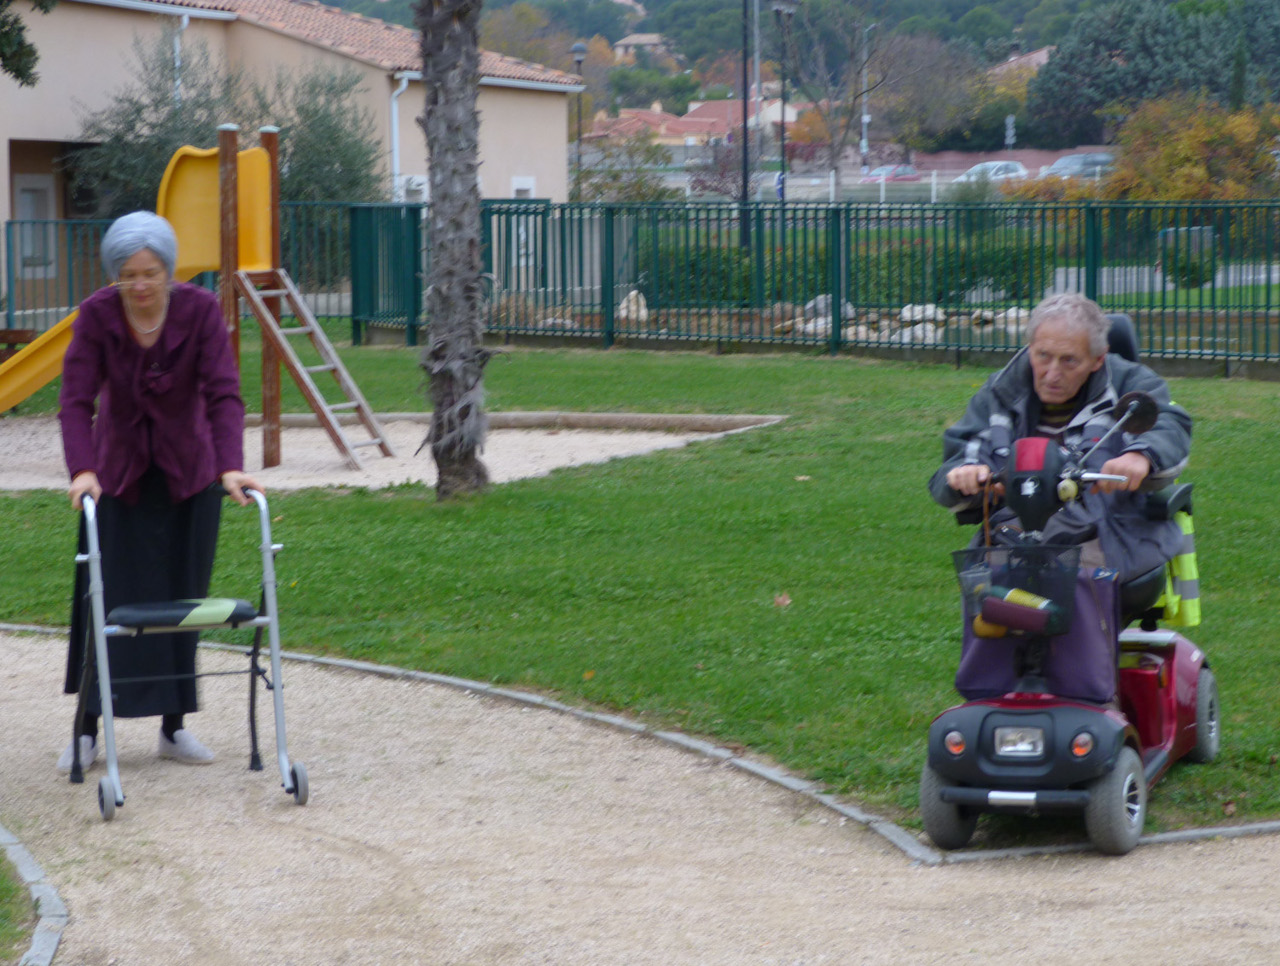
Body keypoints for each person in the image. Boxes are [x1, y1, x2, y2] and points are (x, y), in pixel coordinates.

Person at [57, 211, 261, 772]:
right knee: (107, 601)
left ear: (170, 271)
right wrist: (82, 469)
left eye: (151, 273)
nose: (141, 286)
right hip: (117, 479)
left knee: (182, 602)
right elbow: (76, 400)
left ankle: (173, 728)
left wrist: (231, 467)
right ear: (113, 276)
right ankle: (87, 730)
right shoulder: (98, 316)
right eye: (128, 275)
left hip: (188, 476)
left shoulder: (198, 311)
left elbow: (223, 394)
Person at [928, 292, 1191, 581]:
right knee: (987, 594)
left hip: (1110, 531)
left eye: (1069, 361)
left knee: (1067, 589)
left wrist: (1140, 455)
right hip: (1014, 534)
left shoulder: (1132, 384)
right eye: (1043, 356)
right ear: (1030, 348)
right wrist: (964, 475)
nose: (1052, 374)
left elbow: (1169, 424)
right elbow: (957, 462)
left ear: (1097, 359)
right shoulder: (999, 392)